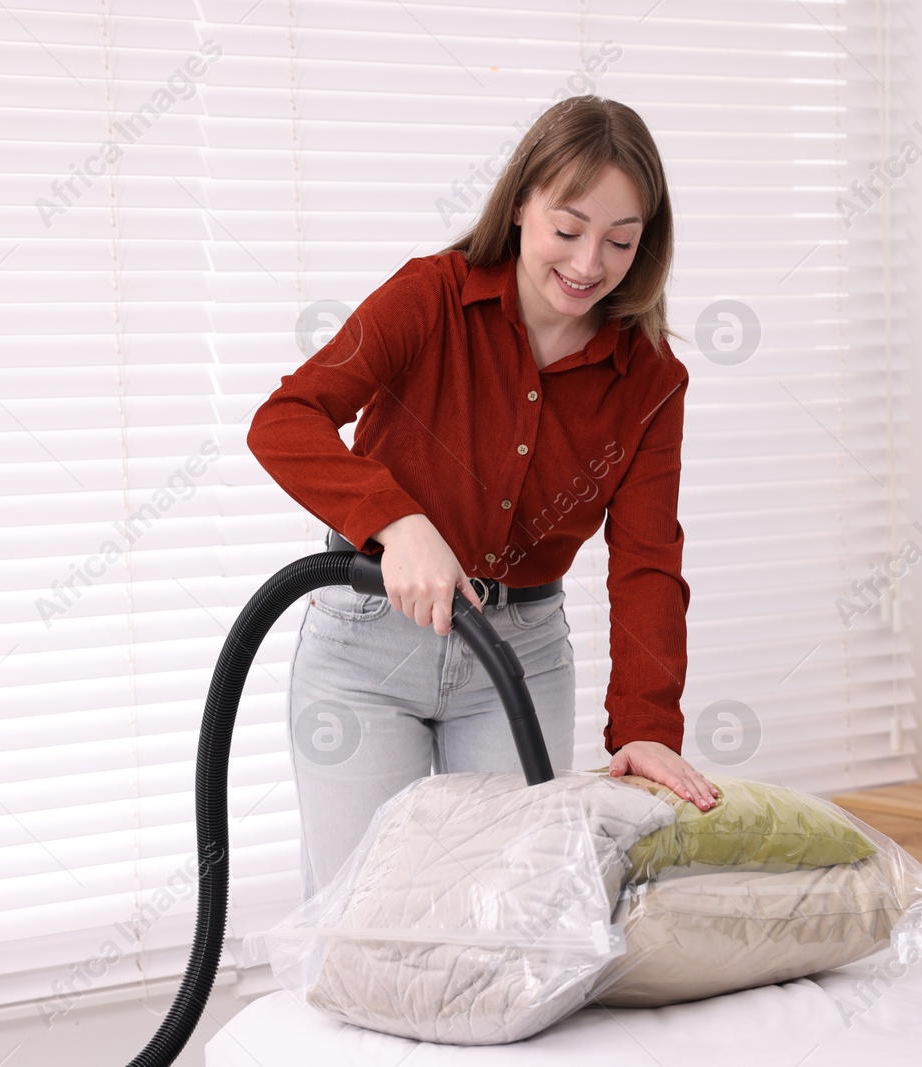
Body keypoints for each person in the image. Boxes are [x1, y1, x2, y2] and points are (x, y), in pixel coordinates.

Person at [248, 95, 720, 898]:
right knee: (366, 912)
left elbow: (645, 559)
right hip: (368, 647)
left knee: (505, 914)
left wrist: (646, 726)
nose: (588, 263)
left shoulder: (651, 381)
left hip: (518, 658)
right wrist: (397, 521)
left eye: (619, 241)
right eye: (567, 230)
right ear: (521, 205)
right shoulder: (430, 296)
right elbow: (285, 420)